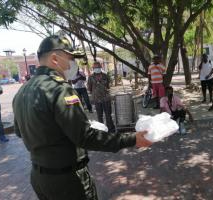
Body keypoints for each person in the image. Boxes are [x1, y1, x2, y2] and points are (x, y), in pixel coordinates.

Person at [13, 35, 152, 200]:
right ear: (55, 59)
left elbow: (20, 132)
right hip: (68, 181)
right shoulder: (59, 89)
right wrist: (132, 139)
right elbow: (85, 138)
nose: (73, 64)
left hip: (39, 177)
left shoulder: (22, 91)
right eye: (71, 58)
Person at [87, 62, 115, 133]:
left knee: (108, 116)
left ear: (101, 67)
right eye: (95, 68)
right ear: (93, 69)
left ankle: (111, 131)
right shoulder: (90, 77)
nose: (97, 69)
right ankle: (102, 131)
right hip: (97, 100)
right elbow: (89, 88)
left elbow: (108, 86)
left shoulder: (105, 76)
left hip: (106, 99)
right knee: (100, 117)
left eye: (98, 67)